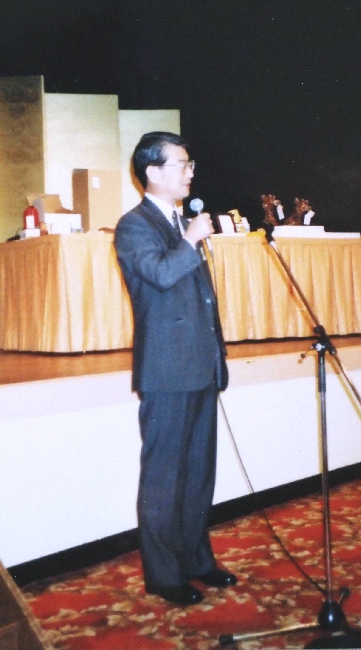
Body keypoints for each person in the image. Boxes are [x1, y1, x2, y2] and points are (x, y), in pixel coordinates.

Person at [114, 131, 236, 606]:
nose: (190, 172)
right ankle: (164, 574)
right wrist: (189, 241)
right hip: (166, 370)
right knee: (164, 477)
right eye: (181, 164)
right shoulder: (134, 226)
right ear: (152, 172)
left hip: (200, 366)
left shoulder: (183, 223)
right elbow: (160, 275)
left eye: (190, 164)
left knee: (199, 472)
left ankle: (197, 560)